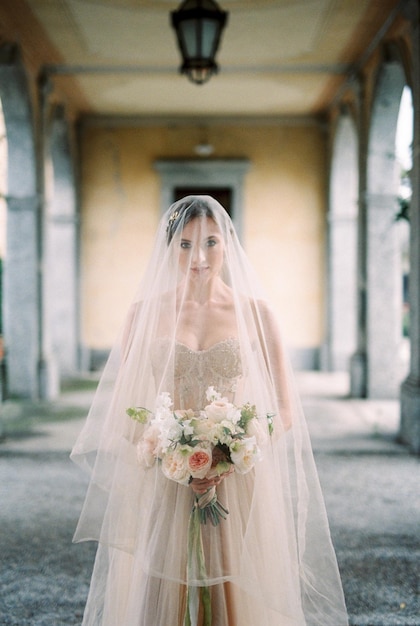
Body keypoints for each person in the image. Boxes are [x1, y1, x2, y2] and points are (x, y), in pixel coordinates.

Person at [71, 195, 348, 626]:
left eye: (211, 242)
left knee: (232, 585)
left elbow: (286, 411)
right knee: (160, 586)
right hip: (165, 478)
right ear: (170, 248)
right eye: (185, 244)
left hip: (236, 478)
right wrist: (168, 452)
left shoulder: (258, 313)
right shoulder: (143, 313)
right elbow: (124, 407)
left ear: (228, 243)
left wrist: (231, 455)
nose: (198, 257)